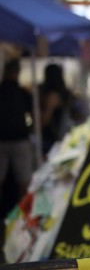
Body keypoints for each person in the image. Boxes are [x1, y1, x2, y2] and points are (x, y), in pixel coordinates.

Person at [0, 59, 33, 208]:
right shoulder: (22, 93)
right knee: (24, 181)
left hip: (2, 139)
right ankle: (20, 214)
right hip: (20, 140)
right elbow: (33, 116)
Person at [39, 63, 75, 155]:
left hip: (50, 138)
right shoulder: (65, 94)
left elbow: (45, 119)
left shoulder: (52, 96)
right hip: (62, 136)